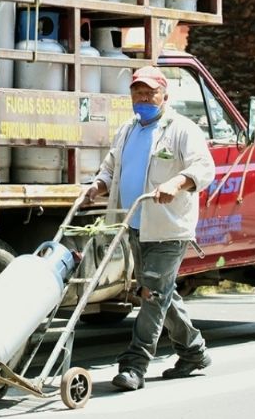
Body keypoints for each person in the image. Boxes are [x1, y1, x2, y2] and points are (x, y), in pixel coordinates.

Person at [83, 65, 215, 391]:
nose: (143, 97)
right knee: (160, 293)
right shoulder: (128, 129)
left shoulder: (182, 129)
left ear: (164, 95)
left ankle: (134, 364)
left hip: (169, 228)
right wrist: (97, 185)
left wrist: (178, 182)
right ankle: (194, 351)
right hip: (136, 225)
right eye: (137, 92)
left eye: (149, 92)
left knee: (152, 293)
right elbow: (112, 166)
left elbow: (204, 166)